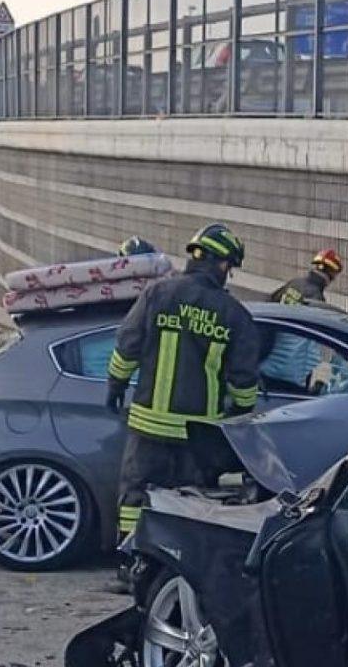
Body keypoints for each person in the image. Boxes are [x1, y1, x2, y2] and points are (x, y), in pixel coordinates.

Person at [106, 224, 263, 587]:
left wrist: (115, 385)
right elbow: (244, 381)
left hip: (148, 426)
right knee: (189, 504)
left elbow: (127, 345)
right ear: (222, 265)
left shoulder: (157, 294)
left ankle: (131, 566)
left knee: (135, 497)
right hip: (196, 434)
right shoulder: (233, 314)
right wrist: (240, 420)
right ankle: (178, 573)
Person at [277, 248, 344, 304]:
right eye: (335, 274)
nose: (334, 279)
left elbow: (273, 300)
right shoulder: (316, 298)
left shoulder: (293, 282)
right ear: (331, 272)